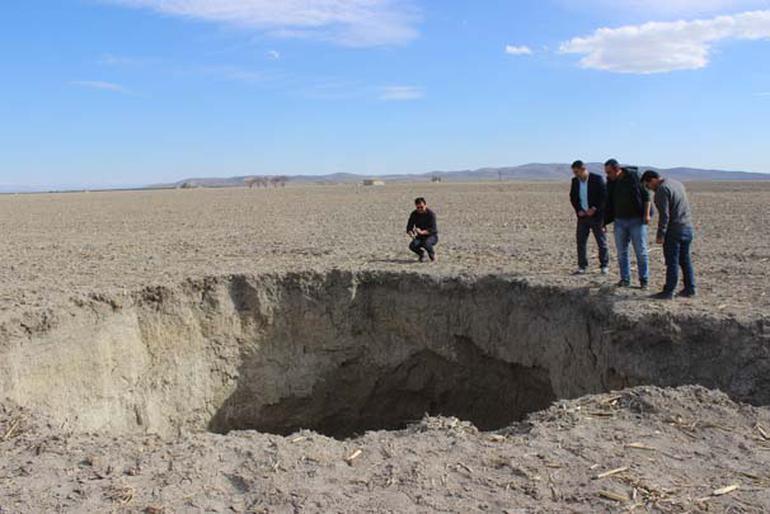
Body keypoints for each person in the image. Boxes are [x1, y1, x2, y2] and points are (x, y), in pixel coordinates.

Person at [641, 170, 697, 300]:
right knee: (685, 260)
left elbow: (664, 216)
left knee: (672, 261)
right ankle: (690, 288)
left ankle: (669, 291)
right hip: (687, 227)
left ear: (653, 180)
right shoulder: (676, 183)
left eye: (647, 185)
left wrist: (661, 234)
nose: (649, 189)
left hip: (674, 231)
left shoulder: (662, 190)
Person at [604, 158, 652, 289]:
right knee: (622, 252)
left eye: (609, 172)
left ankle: (644, 280)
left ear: (617, 170)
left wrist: (646, 214)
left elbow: (646, 196)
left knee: (641, 251)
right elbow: (607, 202)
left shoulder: (634, 177)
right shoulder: (611, 182)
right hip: (619, 221)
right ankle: (625, 279)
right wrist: (604, 221)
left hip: (637, 220)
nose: (607, 175)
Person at [569, 160, 609, 275]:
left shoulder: (597, 179)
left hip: (597, 217)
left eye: (577, 172)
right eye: (574, 172)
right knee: (581, 242)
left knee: (601, 242)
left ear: (583, 169)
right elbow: (573, 197)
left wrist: (594, 208)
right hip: (582, 217)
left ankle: (604, 265)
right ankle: (582, 266)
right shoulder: (575, 181)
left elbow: (604, 197)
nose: (575, 175)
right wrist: (578, 210)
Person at [406, 197, 438, 262]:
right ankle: (421, 254)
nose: (420, 209)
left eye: (422, 207)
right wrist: (410, 232)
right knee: (412, 246)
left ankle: (432, 254)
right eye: (418, 208)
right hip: (420, 237)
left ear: (425, 205)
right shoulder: (414, 214)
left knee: (426, 243)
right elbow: (409, 226)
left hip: (431, 236)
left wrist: (422, 232)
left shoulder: (431, 214)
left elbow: (433, 229)